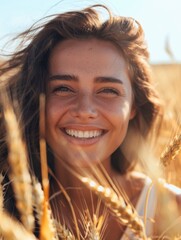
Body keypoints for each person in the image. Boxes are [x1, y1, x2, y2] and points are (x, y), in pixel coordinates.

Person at [0, 4, 181, 240]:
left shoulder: (174, 213)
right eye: (63, 88)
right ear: (36, 99)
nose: (85, 110)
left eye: (108, 90)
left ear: (134, 106)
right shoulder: (6, 212)